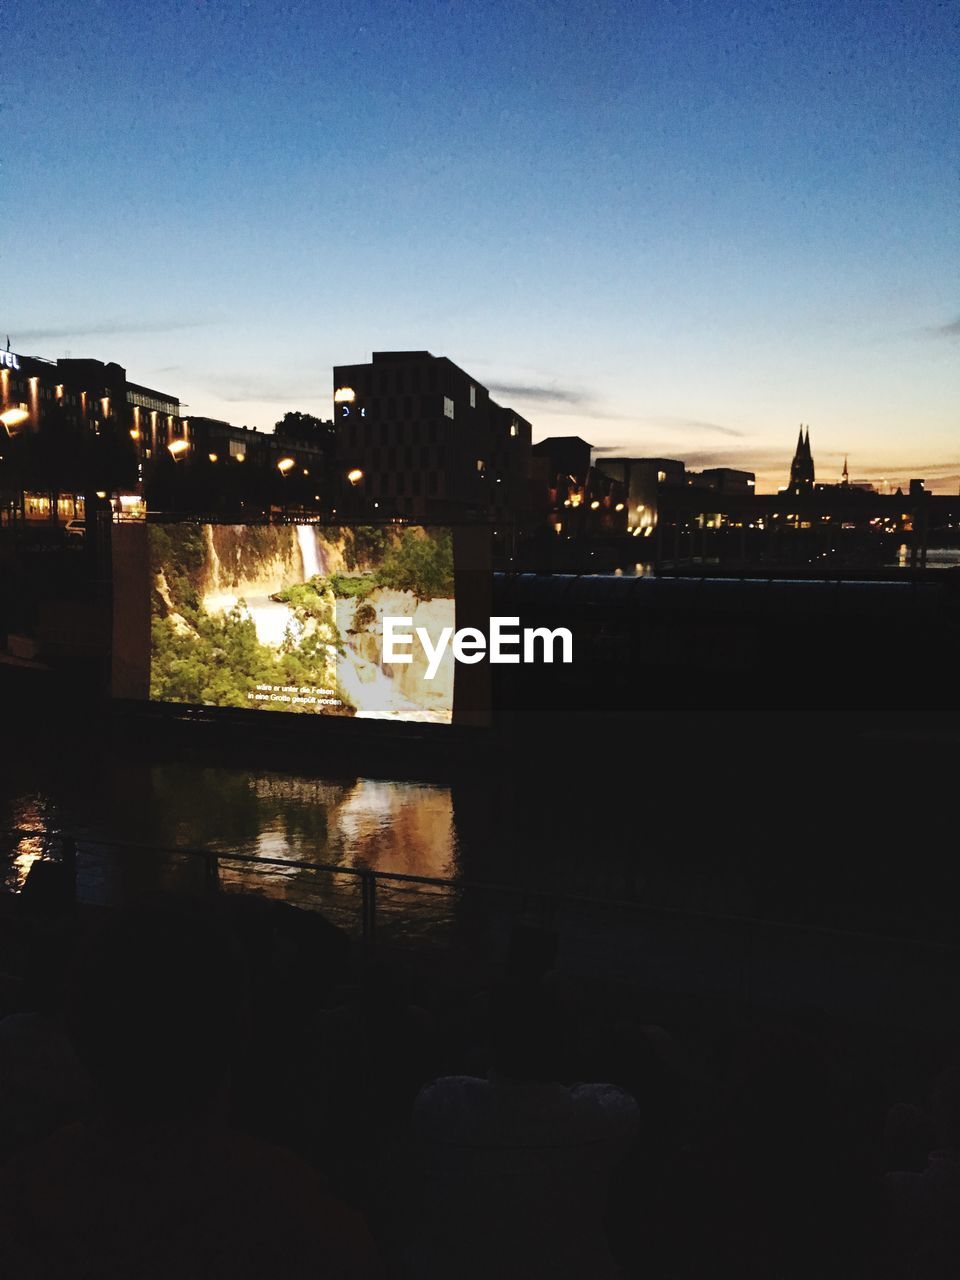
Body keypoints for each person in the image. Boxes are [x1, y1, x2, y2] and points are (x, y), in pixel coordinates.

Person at [407, 981, 638, 1278]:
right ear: (567, 1046)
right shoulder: (607, 1118)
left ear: (489, 1043)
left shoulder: (441, 1106)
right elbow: (617, 1096)